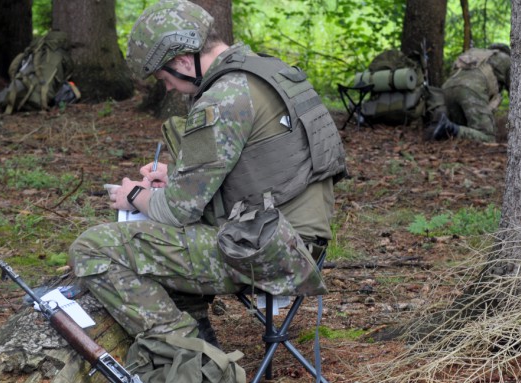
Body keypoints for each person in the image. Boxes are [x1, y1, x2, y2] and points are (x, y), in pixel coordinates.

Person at [69, 0, 346, 354]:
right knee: (161, 236)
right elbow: (266, 168)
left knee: (94, 247)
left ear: (184, 61)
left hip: (268, 252)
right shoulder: (266, 72)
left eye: (164, 78)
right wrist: (177, 178)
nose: (167, 88)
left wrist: (135, 195)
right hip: (292, 239)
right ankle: (198, 334)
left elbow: (176, 212)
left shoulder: (223, 98)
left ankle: (192, 360)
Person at [432, 43, 511, 142]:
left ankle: (445, 129)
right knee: (488, 137)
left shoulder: (475, 53)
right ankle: (451, 129)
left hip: (446, 88)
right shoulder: (506, 59)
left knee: (465, 126)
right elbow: (516, 92)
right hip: (470, 91)